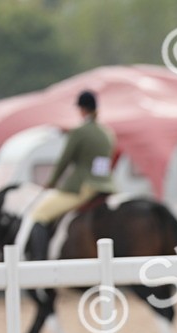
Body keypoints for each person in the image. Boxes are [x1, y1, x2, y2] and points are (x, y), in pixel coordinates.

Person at [24, 90, 116, 260]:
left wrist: (51, 182)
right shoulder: (107, 133)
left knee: (39, 215)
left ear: (82, 109)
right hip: (106, 186)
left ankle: (39, 264)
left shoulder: (80, 132)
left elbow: (64, 160)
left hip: (84, 187)